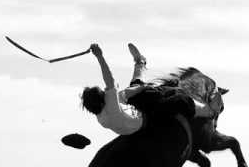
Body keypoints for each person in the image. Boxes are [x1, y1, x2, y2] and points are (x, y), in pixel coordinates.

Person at [80, 43, 216, 136]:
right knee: (178, 98)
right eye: (103, 94)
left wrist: (142, 88)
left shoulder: (101, 117)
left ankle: (140, 62)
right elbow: (109, 79)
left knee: (132, 89)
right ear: (102, 99)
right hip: (142, 121)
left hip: (129, 123)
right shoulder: (111, 104)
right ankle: (209, 111)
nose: (106, 94)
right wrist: (99, 56)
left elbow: (122, 94)